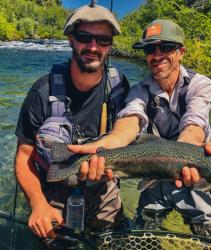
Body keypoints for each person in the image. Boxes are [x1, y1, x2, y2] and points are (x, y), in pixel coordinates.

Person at [71, 19, 211, 239]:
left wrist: (184, 155)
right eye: (150, 49)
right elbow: (131, 119)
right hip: (154, 168)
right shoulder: (139, 90)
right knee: (147, 227)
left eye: (166, 47)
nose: (156, 55)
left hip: (192, 167)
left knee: (204, 227)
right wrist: (107, 144)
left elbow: (194, 123)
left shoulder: (200, 83)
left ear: (181, 52)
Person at [15, 3, 130, 239]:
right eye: (84, 37)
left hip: (103, 186)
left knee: (111, 240)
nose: (93, 46)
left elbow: (131, 129)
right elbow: (24, 158)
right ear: (70, 39)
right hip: (55, 187)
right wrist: (38, 205)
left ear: (110, 46)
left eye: (103, 40)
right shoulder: (42, 92)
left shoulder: (119, 88)